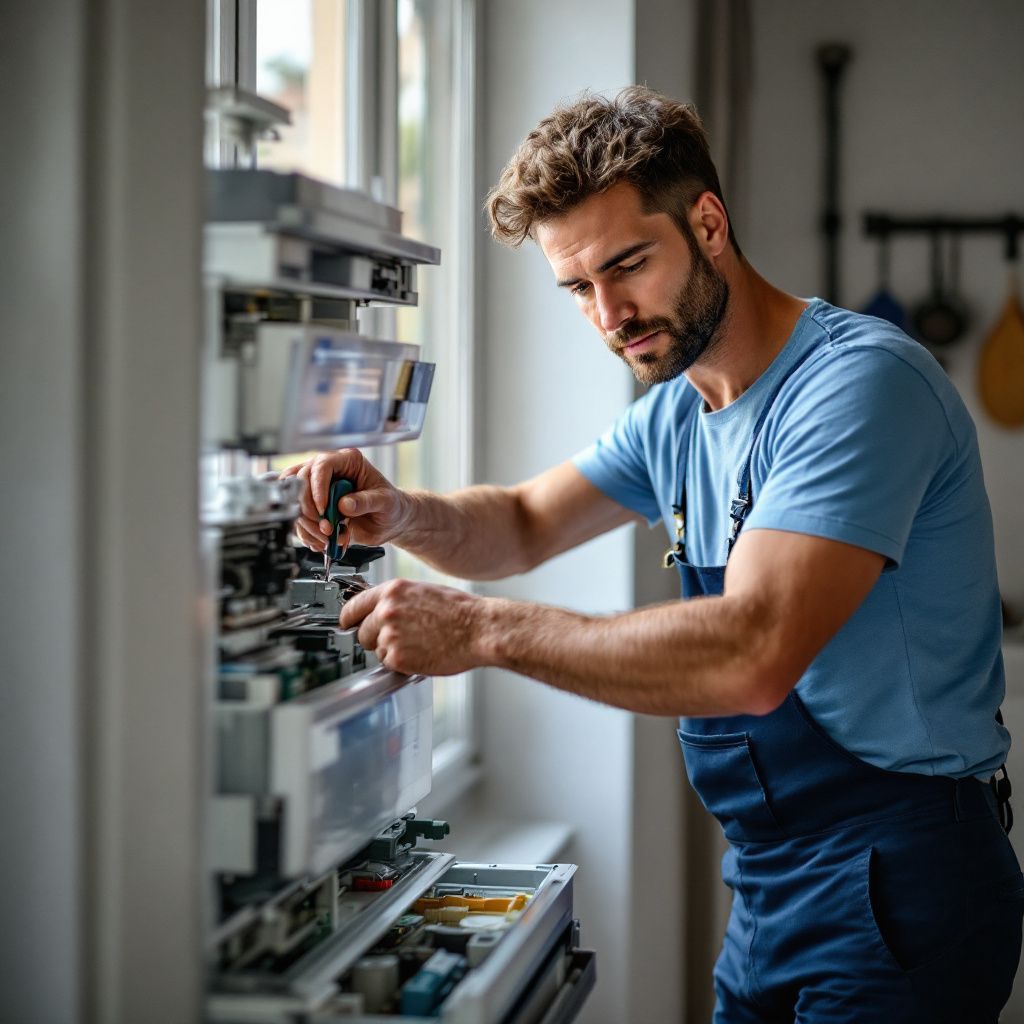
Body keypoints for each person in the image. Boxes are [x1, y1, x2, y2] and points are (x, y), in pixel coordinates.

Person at [283, 87, 1023, 1021]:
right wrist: (396, 512)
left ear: (708, 223)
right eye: (577, 288)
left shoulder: (859, 386)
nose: (609, 313)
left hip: (903, 875)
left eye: (627, 265)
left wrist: (479, 629)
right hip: (767, 881)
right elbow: (520, 522)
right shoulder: (677, 411)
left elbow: (751, 654)